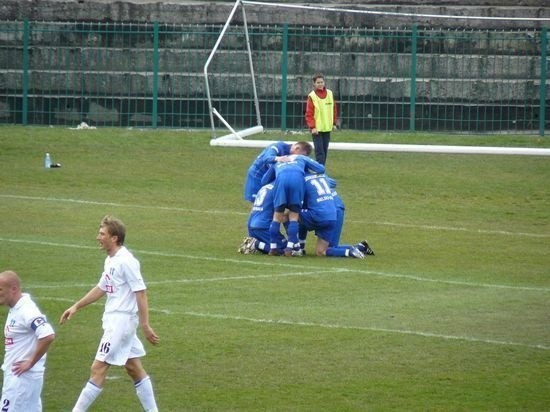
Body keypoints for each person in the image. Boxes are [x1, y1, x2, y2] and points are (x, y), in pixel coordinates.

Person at [60, 215, 160, 412]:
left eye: (102, 233)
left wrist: (145, 325)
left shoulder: (127, 261)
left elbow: (141, 292)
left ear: (114, 238)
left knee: (97, 369)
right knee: (133, 368)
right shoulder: (111, 260)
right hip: (116, 322)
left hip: (120, 323)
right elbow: (102, 287)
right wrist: (76, 306)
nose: (98, 237)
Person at [0, 270, 56, 411]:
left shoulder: (26, 310)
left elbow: (47, 334)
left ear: (13, 289)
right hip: (27, 379)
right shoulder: (17, 308)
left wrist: (30, 362)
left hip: (20, 381)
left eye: (0, 289)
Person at [261, 150, 325, 256]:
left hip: (281, 181)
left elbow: (264, 181)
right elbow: (321, 169)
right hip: (297, 181)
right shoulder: (301, 158)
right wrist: (305, 171)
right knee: (294, 216)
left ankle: (273, 248)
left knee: (277, 217)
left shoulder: (279, 161)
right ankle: (290, 248)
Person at [298, 174, 374, 258]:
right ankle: (360, 247)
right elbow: (333, 183)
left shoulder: (299, 182)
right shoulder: (317, 175)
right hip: (335, 207)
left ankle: (351, 252)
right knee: (330, 247)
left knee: (327, 249)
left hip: (330, 210)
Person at [243, 141, 312, 203]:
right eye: (302, 155)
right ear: (297, 148)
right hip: (257, 176)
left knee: (271, 204)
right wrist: (278, 158)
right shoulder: (278, 146)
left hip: (269, 179)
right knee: (257, 205)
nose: (301, 157)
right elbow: (266, 158)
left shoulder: (294, 156)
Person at [305, 73, 338, 165]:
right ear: (314, 84)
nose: (320, 84)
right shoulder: (312, 96)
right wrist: (312, 127)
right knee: (320, 152)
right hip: (317, 130)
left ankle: (320, 170)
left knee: (324, 150)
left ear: (324, 82)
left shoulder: (330, 94)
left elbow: (334, 109)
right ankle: (320, 171)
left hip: (327, 128)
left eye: (321, 82)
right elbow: (309, 113)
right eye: (318, 82)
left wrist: (334, 123)